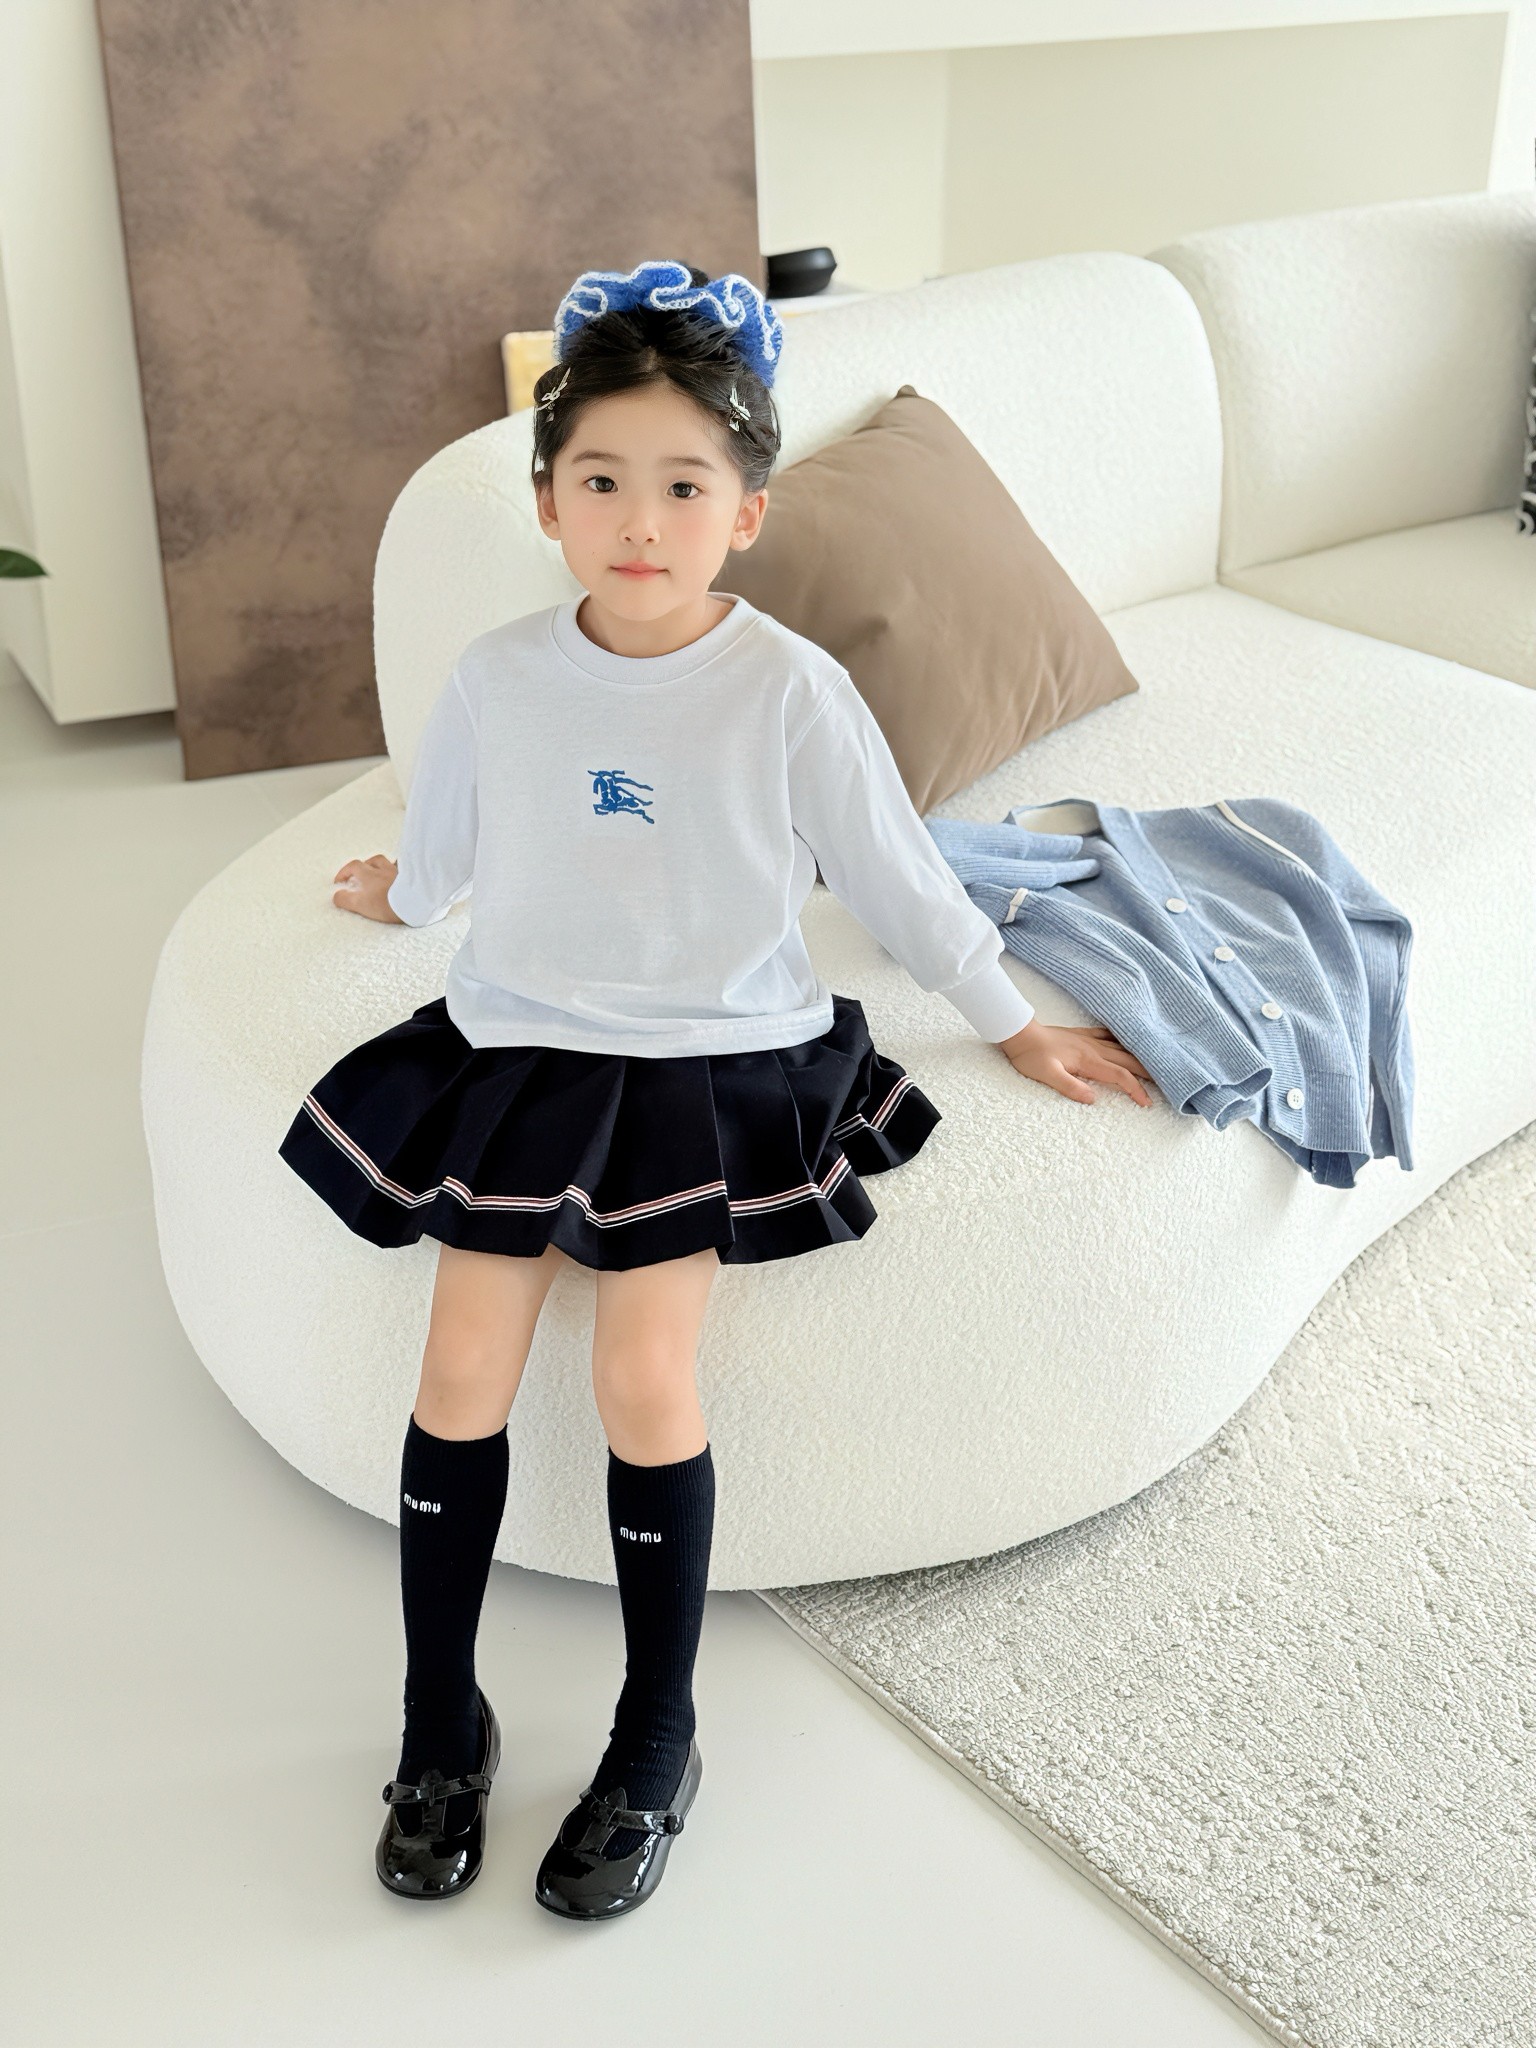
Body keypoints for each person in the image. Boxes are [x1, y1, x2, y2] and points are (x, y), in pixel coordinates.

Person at [277, 258, 1155, 1924]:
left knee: (642, 1370)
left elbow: (894, 876)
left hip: (708, 1060)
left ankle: (655, 1733)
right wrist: (395, 895)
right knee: (458, 1362)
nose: (640, 518)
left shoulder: (790, 688)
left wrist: (1007, 1018)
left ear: (746, 514)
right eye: (601, 478)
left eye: (685, 485)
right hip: (526, 1047)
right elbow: (443, 857)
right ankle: (439, 1715)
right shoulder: (499, 677)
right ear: (548, 500)